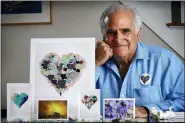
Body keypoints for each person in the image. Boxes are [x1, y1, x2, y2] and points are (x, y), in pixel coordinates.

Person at [95, 4, 184, 119]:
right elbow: (67, 97)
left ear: (137, 34)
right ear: (104, 36)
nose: (118, 38)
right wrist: (95, 62)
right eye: (111, 32)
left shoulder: (166, 61)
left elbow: (183, 100)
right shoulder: (90, 62)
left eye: (125, 31)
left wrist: (147, 110)